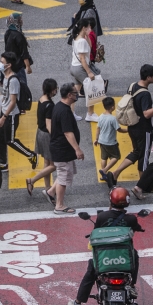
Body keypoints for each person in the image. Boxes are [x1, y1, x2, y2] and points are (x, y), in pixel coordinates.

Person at [66, 186, 144, 305]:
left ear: (111, 200)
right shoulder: (131, 219)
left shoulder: (102, 216)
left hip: (104, 256)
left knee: (91, 271)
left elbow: (96, 231)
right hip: (124, 256)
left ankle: (78, 303)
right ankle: (132, 286)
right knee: (134, 255)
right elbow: (136, 228)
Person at [106, 65, 153, 186]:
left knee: (136, 152)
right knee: (144, 157)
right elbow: (147, 114)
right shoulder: (146, 95)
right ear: (148, 77)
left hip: (132, 126)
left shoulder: (133, 85)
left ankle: (115, 173)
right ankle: (143, 185)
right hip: (144, 129)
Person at [45, 83, 85, 214]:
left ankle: (51, 192)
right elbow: (68, 133)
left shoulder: (59, 106)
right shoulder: (65, 111)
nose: (77, 95)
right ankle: (59, 206)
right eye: (75, 93)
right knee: (63, 177)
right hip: (62, 150)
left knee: (66, 173)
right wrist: (77, 149)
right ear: (69, 95)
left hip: (61, 149)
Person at [0, 51, 38, 170]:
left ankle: (31, 154)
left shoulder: (13, 80)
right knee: (0, 139)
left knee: (10, 140)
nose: (0, 64)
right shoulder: (5, 76)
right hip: (4, 112)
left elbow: (13, 101)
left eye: (2, 62)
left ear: (9, 65)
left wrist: (4, 117)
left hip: (10, 115)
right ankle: (2, 163)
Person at [26, 78, 58, 195]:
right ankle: (32, 180)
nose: (56, 91)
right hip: (47, 135)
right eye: (55, 89)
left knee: (46, 162)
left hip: (40, 132)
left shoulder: (41, 99)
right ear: (51, 90)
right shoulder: (49, 105)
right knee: (54, 165)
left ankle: (48, 187)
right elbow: (49, 125)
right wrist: (55, 136)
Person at [95, 96, 124, 175]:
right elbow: (119, 129)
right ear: (112, 107)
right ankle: (105, 170)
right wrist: (128, 130)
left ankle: (102, 172)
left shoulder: (101, 116)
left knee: (104, 157)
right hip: (111, 142)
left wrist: (96, 139)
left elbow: (98, 128)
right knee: (116, 156)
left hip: (101, 141)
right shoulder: (112, 118)